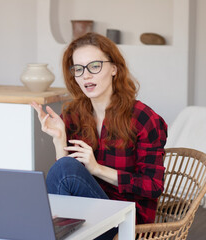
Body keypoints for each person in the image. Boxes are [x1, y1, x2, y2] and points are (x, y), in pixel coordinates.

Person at [31, 32, 167, 239]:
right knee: (62, 170)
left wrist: (97, 169)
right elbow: (65, 180)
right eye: (78, 69)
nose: (86, 76)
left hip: (127, 219)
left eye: (94, 66)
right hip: (86, 211)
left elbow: (153, 187)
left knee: (64, 173)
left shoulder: (143, 119)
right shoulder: (72, 114)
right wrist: (59, 138)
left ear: (114, 68)